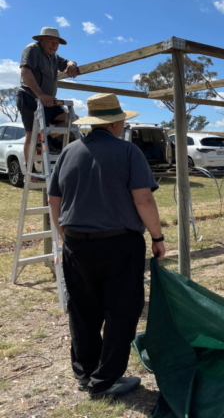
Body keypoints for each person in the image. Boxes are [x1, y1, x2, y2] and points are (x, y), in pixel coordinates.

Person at [48, 93, 166, 400]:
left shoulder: (69, 152)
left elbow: (54, 199)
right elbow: (143, 198)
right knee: (122, 311)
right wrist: (157, 237)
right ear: (115, 122)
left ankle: (85, 373)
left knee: (83, 310)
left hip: (76, 242)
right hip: (119, 243)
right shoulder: (128, 152)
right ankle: (106, 381)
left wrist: (64, 235)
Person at [18, 27, 79, 164]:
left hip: (49, 101)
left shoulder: (54, 57)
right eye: (51, 41)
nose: (54, 45)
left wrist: (72, 64)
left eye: (57, 43)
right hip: (30, 97)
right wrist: (40, 94)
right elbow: (25, 72)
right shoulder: (33, 49)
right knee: (31, 134)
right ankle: (30, 169)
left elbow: (66, 63)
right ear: (41, 39)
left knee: (72, 119)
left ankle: (45, 139)